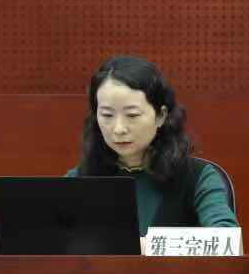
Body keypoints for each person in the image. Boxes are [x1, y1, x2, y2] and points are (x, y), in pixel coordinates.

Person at [69, 55, 238, 234]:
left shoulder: (198, 178)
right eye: (107, 115)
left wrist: (141, 246)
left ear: (161, 116)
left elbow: (227, 241)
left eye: (132, 115)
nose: (118, 129)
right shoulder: (81, 178)